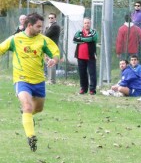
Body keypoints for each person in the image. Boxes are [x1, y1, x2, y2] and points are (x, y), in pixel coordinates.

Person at [0, 12, 60, 151]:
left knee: (38, 108)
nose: (41, 29)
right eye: (38, 26)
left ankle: (26, 117)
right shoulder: (15, 39)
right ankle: (31, 136)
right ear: (29, 25)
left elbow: (55, 51)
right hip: (22, 80)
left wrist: (53, 60)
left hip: (38, 81)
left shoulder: (43, 40)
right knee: (27, 106)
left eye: (41, 26)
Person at [73, 18, 98, 95]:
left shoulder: (93, 32)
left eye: (88, 23)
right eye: (85, 23)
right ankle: (83, 88)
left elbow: (92, 38)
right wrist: (85, 39)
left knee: (92, 73)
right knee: (82, 73)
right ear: (83, 24)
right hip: (80, 56)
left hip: (91, 56)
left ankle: (92, 89)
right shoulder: (79, 32)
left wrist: (81, 39)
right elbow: (74, 40)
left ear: (90, 24)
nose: (87, 24)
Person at [45, 13, 61, 84]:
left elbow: (46, 34)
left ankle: (52, 80)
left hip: (53, 47)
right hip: (48, 47)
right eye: (49, 18)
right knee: (48, 62)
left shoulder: (55, 26)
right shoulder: (49, 26)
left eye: (52, 18)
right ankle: (50, 79)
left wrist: (47, 28)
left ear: (55, 18)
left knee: (52, 63)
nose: (50, 19)